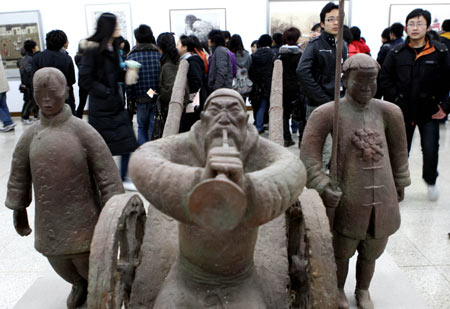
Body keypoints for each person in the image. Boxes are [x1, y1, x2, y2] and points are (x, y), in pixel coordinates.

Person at [129, 88, 305, 308]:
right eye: (215, 110)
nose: (224, 118)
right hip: (187, 277)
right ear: (203, 119)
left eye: (233, 110)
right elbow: (142, 160)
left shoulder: (258, 148)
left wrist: (246, 186)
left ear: (244, 118)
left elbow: (293, 169)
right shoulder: (188, 142)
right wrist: (198, 182)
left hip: (240, 280)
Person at [5, 67, 125, 309]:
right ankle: (78, 285)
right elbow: (19, 173)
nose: (47, 99)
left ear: (66, 92)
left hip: (84, 217)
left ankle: (94, 286)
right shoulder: (30, 136)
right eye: (40, 93)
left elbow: (106, 173)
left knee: (85, 260)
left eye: (53, 92)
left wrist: (116, 209)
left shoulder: (82, 131)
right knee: (57, 259)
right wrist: (19, 208)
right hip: (49, 220)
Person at [300, 54, 411, 309]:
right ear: (345, 80)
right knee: (342, 249)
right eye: (360, 83)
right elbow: (308, 158)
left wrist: (400, 181)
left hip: (383, 196)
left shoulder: (389, 112)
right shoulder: (327, 113)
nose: (367, 88)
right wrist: (322, 184)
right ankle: (338, 289)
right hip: (348, 196)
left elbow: (399, 151)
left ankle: (363, 289)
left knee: (372, 248)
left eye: (372, 83)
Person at [379, 8, 450, 201]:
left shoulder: (440, 52)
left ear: (427, 27)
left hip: (430, 110)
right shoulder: (396, 52)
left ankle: (431, 181)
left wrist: (445, 106)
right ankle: (397, 185)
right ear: (405, 27)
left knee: (430, 148)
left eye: (419, 23)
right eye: (411, 23)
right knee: (400, 150)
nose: (415, 27)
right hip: (402, 111)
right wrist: (395, 100)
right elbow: (384, 78)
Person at [78, 12, 138, 190]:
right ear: (108, 27)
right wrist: (105, 91)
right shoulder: (92, 49)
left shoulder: (112, 49)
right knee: (100, 148)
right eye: (116, 25)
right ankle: (99, 180)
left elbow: (113, 75)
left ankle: (122, 177)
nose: (118, 28)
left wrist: (128, 71)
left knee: (128, 142)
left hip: (115, 104)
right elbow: (85, 79)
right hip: (102, 107)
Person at [296, 1, 348, 168]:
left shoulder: (343, 45)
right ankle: (318, 188)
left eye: (338, 19)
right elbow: (302, 71)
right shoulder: (315, 44)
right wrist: (321, 97)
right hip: (318, 104)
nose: (335, 23)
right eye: (330, 19)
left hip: (339, 103)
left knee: (337, 148)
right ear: (323, 23)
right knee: (322, 150)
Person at [126, 24, 161, 144]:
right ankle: (152, 155)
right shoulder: (159, 54)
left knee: (141, 128)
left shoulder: (132, 56)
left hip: (140, 99)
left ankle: (143, 154)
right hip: (157, 98)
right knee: (153, 128)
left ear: (137, 38)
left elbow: (130, 83)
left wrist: (130, 102)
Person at [32, 30, 76, 114]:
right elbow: (72, 80)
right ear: (63, 43)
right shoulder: (66, 58)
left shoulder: (37, 58)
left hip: (44, 99)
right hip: (64, 98)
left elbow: (34, 81)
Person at [156, 32, 189, 133]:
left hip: (173, 112)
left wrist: (159, 92)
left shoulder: (168, 66)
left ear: (161, 47)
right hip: (180, 110)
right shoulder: (176, 61)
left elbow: (172, 92)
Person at [279, 27, 302, 147]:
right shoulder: (300, 55)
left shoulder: (280, 54)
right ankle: (301, 141)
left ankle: (286, 138)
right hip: (297, 86)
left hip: (283, 86)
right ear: (297, 38)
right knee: (300, 114)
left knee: (285, 114)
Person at [177, 34, 206, 132]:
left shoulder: (191, 62)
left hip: (193, 101)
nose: (176, 47)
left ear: (185, 48)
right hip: (192, 100)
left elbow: (196, 82)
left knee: (190, 127)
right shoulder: (186, 61)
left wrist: (189, 97)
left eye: (178, 44)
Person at [249, 34, 276, 134]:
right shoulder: (273, 54)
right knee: (271, 105)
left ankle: (259, 126)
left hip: (257, 84)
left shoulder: (254, 55)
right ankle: (270, 125)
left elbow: (250, 71)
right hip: (270, 83)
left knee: (260, 105)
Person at [20, 40, 40, 124]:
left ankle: (36, 115)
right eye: (36, 46)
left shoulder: (31, 57)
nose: (37, 47)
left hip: (31, 83)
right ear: (33, 48)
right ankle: (25, 117)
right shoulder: (28, 59)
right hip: (28, 84)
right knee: (29, 101)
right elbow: (29, 71)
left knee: (33, 100)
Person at [0, 55, 16, 132]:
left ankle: (7, 123)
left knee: (2, 106)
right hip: (3, 86)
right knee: (3, 105)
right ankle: (9, 123)